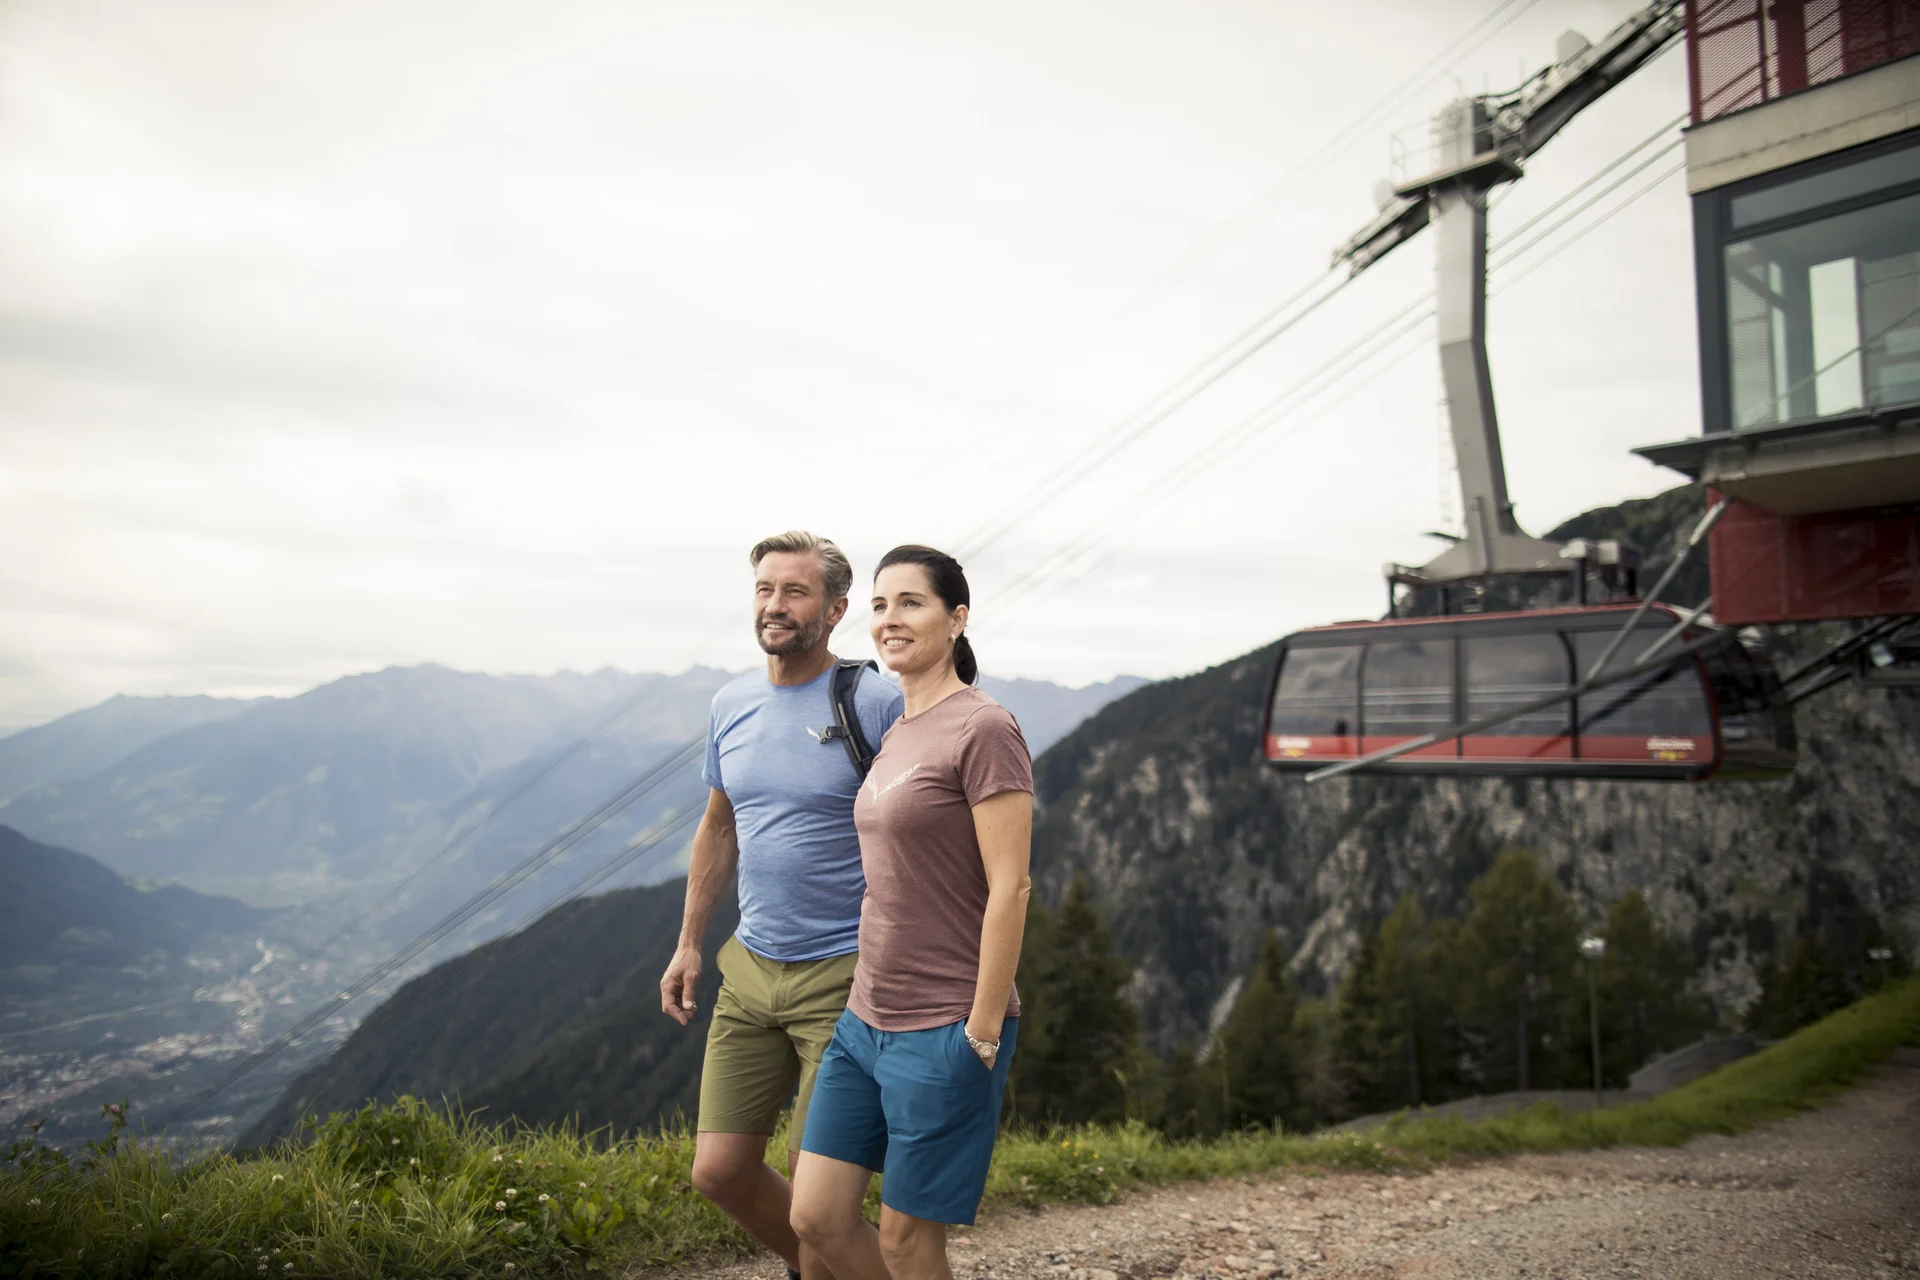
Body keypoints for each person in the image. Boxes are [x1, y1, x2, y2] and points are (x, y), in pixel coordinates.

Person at [660, 530, 904, 1280]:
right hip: (752, 970)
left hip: (845, 975)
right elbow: (719, 824)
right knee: (720, 1172)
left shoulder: (876, 700)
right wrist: (689, 942)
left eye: (794, 591)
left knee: (818, 1207)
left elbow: (926, 827)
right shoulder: (730, 703)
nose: (775, 605)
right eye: (765, 589)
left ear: (834, 610)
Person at [790, 544, 1033, 1280]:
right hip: (866, 1020)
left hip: (946, 1024)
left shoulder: (983, 728)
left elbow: (1011, 886)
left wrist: (982, 1031)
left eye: (912, 603)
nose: (890, 619)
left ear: (957, 619)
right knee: (817, 1217)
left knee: (905, 1239)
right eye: (880, 604)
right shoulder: (897, 729)